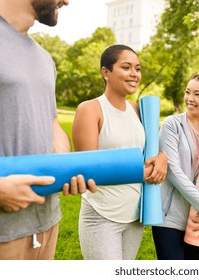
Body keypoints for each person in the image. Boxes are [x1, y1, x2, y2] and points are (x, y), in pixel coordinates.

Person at [0, 0, 97, 260]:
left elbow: (52, 126)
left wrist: (65, 169)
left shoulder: (44, 58)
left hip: (46, 225)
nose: (67, 1)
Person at [72, 44, 168, 260]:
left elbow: (154, 150)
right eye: (126, 67)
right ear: (106, 73)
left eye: (138, 68)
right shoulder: (90, 109)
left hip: (134, 215)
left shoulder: (138, 109)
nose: (134, 74)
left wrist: (163, 159)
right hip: (102, 215)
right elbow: (88, 171)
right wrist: (139, 173)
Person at [152, 73, 199, 260]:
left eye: (197, 94)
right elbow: (172, 172)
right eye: (187, 92)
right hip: (170, 218)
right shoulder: (172, 124)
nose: (189, 99)